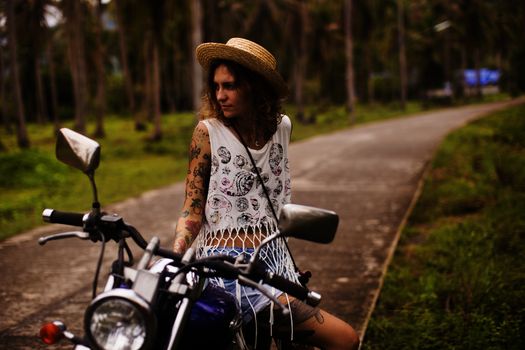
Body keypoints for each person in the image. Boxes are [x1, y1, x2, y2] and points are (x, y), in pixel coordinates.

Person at [173, 37, 359, 350]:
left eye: (230, 86)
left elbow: (276, 200)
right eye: (216, 87)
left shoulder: (282, 127)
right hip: (225, 269)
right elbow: (192, 208)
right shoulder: (207, 132)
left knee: (344, 340)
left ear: (255, 88)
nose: (221, 96)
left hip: (274, 265)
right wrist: (177, 255)